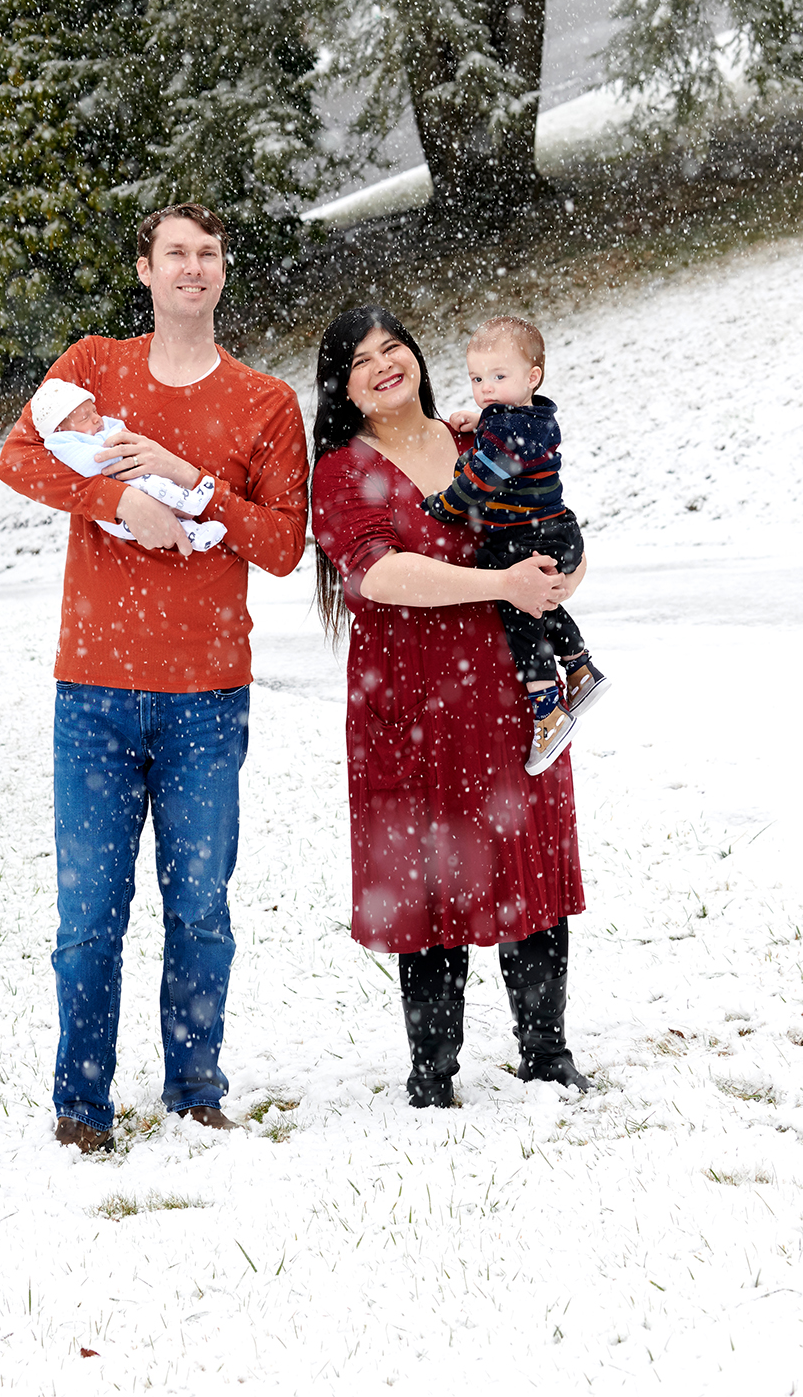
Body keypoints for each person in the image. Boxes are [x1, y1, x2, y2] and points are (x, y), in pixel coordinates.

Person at [0, 202, 308, 1150]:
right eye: (175, 252)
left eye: (208, 253)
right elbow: (18, 459)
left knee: (200, 905)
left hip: (208, 693)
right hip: (92, 686)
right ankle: (81, 1107)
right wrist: (122, 496)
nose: (193, 267)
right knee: (89, 915)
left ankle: (195, 1089)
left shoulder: (263, 403)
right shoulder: (95, 365)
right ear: (144, 269)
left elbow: (285, 545)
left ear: (222, 270)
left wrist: (195, 479)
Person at [310, 306, 592, 1108]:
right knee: (427, 877)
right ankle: (432, 1076)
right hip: (408, 699)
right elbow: (378, 573)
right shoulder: (339, 470)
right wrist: (500, 584)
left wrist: (565, 572)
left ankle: (546, 1053)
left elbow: (548, 515)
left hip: (511, 686)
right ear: (344, 386)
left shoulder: (482, 438)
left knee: (526, 857)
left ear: (418, 358)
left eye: (392, 347)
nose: (382, 365)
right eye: (361, 360)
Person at [422, 315, 609, 776]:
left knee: (520, 611)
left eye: (498, 377)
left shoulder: (509, 432)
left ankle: (548, 711)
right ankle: (581, 669)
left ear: (532, 377)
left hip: (527, 539)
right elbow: (501, 430)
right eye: (476, 378)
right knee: (543, 603)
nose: (485, 387)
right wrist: (479, 419)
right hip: (557, 529)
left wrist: (443, 506)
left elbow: (480, 479)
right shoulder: (532, 417)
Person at [30, 377, 227, 551]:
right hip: (118, 505)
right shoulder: (62, 443)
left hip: (127, 479)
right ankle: (190, 502)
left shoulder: (100, 427)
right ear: (60, 428)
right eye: (85, 417)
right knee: (150, 485)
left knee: (161, 499)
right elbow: (93, 462)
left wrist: (123, 442)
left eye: (94, 410)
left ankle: (198, 535)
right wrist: (118, 453)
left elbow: (122, 431)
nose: (97, 418)